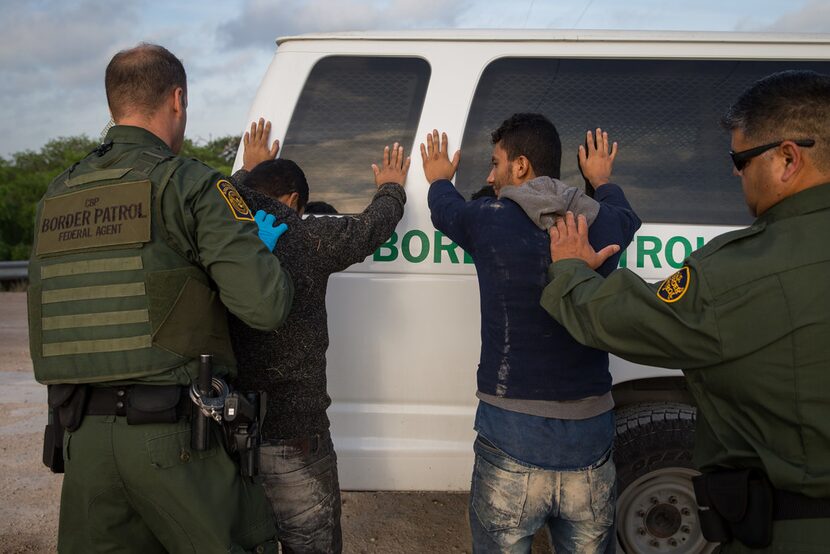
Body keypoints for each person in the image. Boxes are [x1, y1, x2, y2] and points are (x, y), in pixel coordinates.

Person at [540, 70, 830, 552]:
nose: (735, 173)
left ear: (787, 158)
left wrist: (570, 270)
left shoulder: (743, 271)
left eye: (739, 158)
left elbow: (622, 319)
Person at [27, 43, 294, 553]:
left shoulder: (56, 196)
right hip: (175, 443)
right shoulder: (192, 185)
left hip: (83, 443)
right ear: (177, 99)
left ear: (114, 104)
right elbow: (266, 305)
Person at [420, 113, 641, 553]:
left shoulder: (488, 218)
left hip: (511, 429)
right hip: (590, 433)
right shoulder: (601, 221)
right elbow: (626, 215)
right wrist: (601, 180)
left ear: (520, 167)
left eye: (496, 163)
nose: (490, 174)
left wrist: (440, 179)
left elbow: (445, 211)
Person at [227, 131, 409, 554]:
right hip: (297, 440)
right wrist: (392, 188)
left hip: (230, 438)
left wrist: (243, 173)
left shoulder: (219, 236)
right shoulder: (305, 237)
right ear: (292, 201)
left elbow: (211, 197)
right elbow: (371, 227)